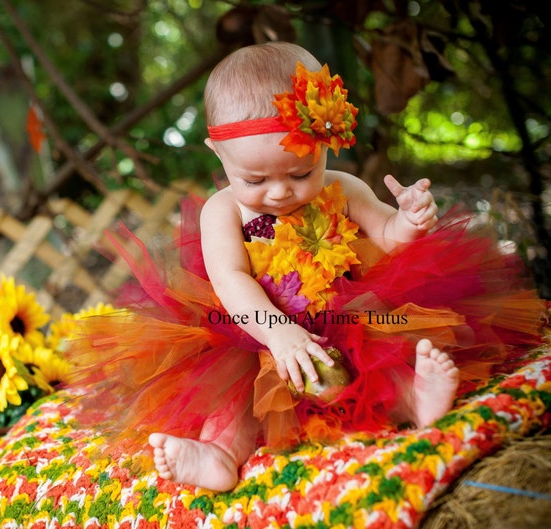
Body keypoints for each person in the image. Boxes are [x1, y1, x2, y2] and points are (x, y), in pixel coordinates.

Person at [65, 42, 544, 492]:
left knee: (384, 339)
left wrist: (409, 221)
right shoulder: (224, 211)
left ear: (326, 145)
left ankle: (414, 400)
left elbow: (389, 238)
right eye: (254, 178)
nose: (279, 192)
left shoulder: (346, 188)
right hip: (253, 327)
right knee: (236, 391)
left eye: (300, 172)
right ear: (218, 153)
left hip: (346, 312)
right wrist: (277, 333)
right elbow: (231, 279)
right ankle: (218, 453)